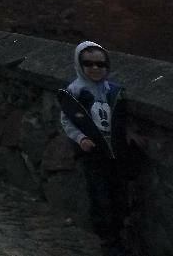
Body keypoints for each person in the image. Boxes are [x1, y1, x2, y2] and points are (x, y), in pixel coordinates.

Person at [58, 40, 137, 255]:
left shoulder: (113, 90)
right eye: (88, 63)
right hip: (93, 154)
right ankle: (108, 241)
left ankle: (118, 237)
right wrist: (81, 138)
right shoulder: (74, 92)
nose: (95, 68)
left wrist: (129, 133)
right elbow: (67, 121)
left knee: (119, 195)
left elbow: (120, 119)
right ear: (79, 64)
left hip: (116, 152)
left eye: (100, 64)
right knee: (100, 197)